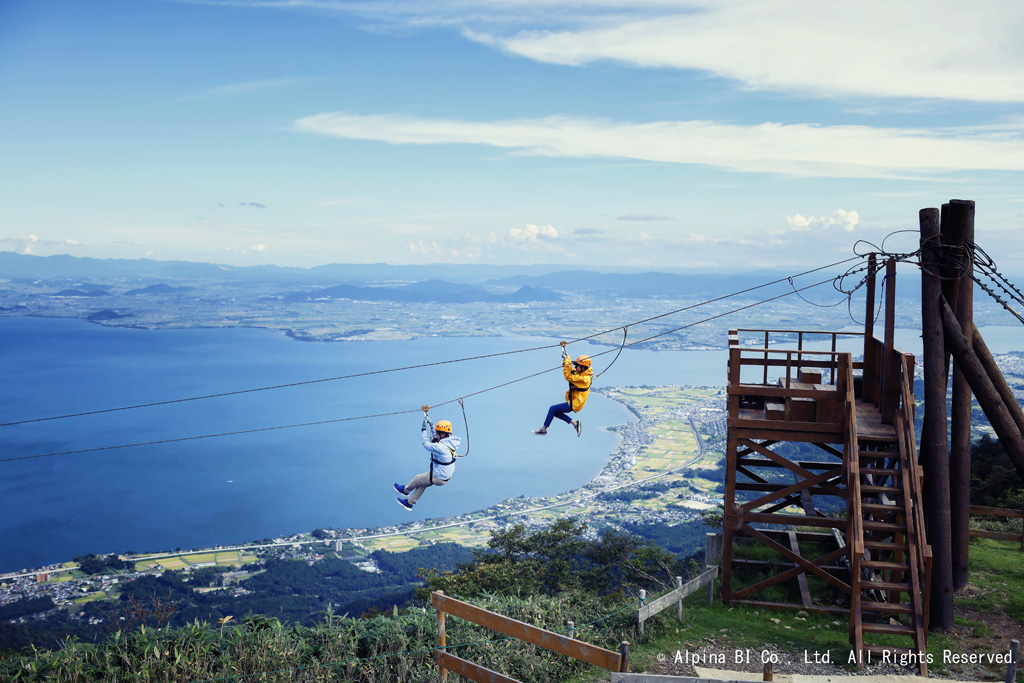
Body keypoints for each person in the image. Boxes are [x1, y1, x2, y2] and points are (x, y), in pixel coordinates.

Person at [394, 415, 461, 511]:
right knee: (423, 484)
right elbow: (435, 438)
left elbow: (426, 445)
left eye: (437, 433)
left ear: (442, 435)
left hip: (438, 476)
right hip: (445, 476)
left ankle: (405, 490)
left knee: (418, 478)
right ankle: (409, 503)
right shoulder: (451, 441)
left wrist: (423, 430)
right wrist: (432, 426)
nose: (436, 434)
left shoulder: (441, 447)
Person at [532, 343, 592, 437]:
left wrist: (566, 361)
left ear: (583, 368)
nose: (576, 367)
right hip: (576, 401)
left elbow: (568, 376)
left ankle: (543, 430)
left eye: (577, 366)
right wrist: (566, 358)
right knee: (554, 412)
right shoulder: (582, 374)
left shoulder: (584, 379)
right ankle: (575, 423)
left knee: (552, 409)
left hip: (576, 403)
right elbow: (571, 369)